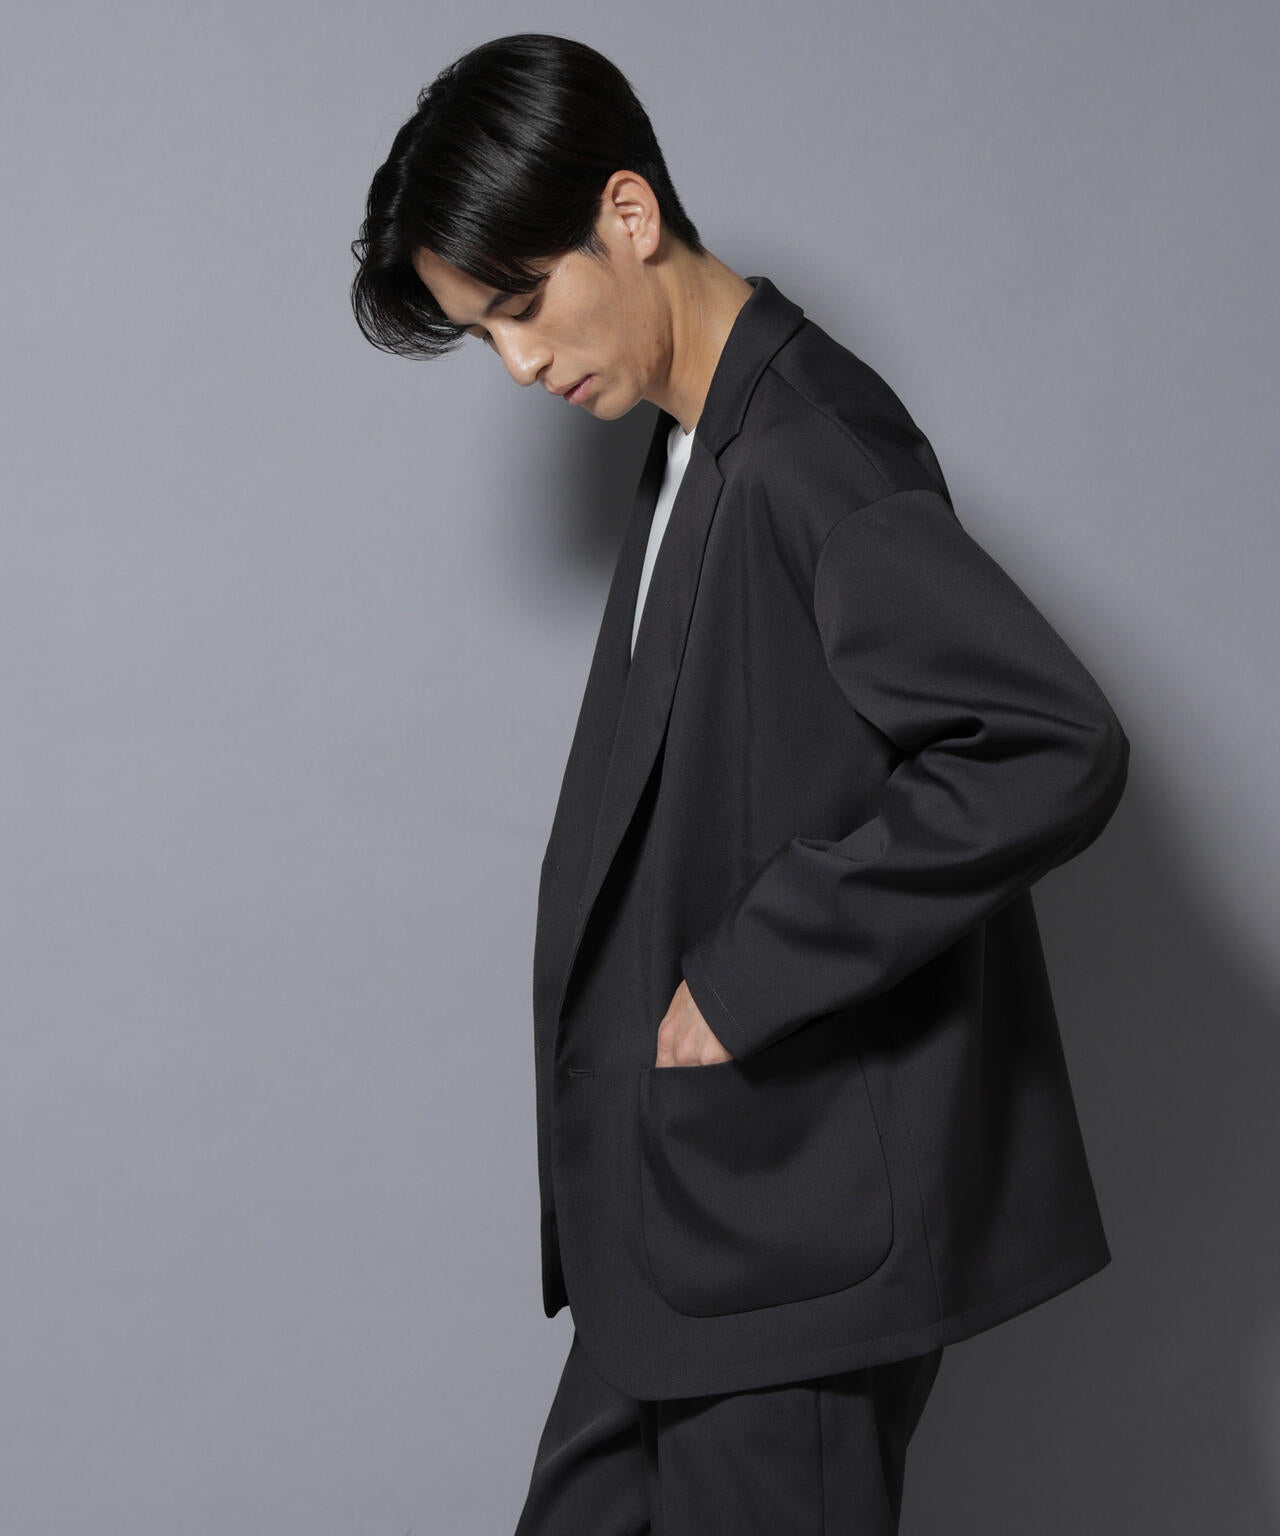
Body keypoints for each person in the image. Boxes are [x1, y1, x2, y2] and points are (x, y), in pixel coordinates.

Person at [350, 32, 1130, 1536]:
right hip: (684, 1219)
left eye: (522, 305)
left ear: (628, 214)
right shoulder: (697, 437)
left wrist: (750, 973)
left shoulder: (808, 449)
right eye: (483, 335)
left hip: (789, 1234)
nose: (520, 364)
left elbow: (1049, 740)